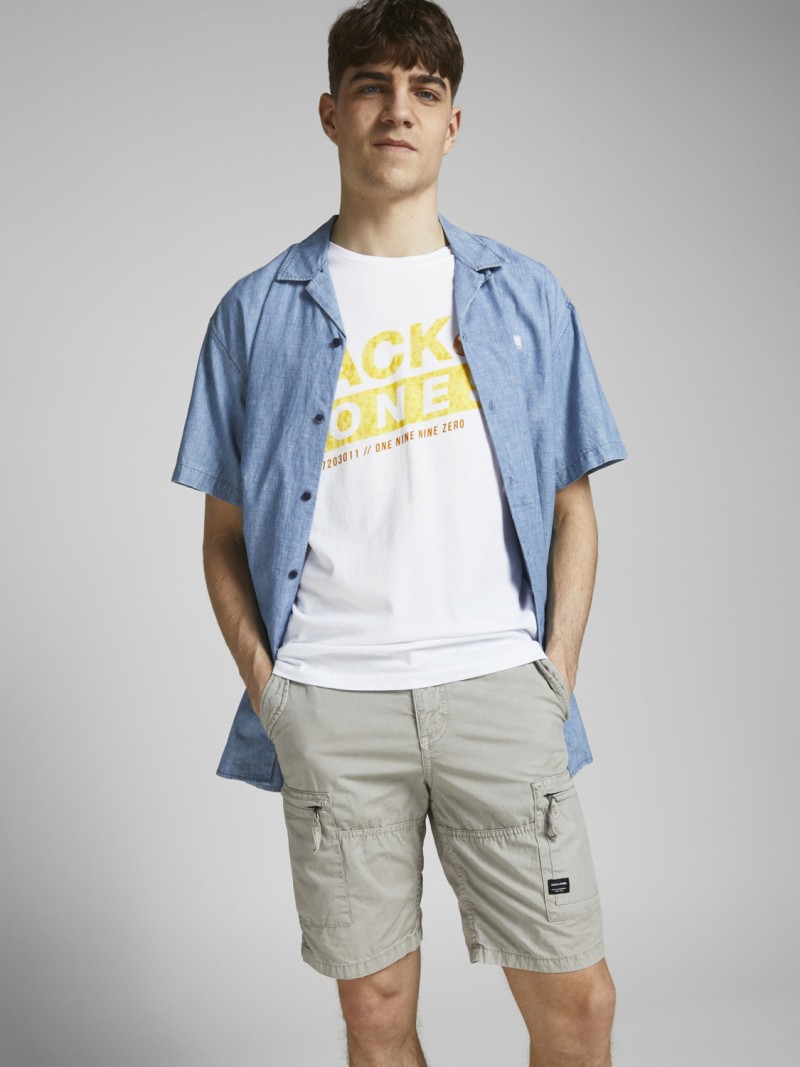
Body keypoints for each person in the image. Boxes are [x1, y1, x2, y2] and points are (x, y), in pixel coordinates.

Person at [171, 1, 628, 1063]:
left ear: (452, 124)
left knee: (579, 1005)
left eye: (424, 90)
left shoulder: (527, 297)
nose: (397, 110)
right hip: (332, 701)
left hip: (497, 689)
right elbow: (221, 533)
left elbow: (572, 505)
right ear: (330, 113)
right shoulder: (255, 312)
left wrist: (552, 672)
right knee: (375, 1012)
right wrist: (269, 687)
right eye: (372, 86)